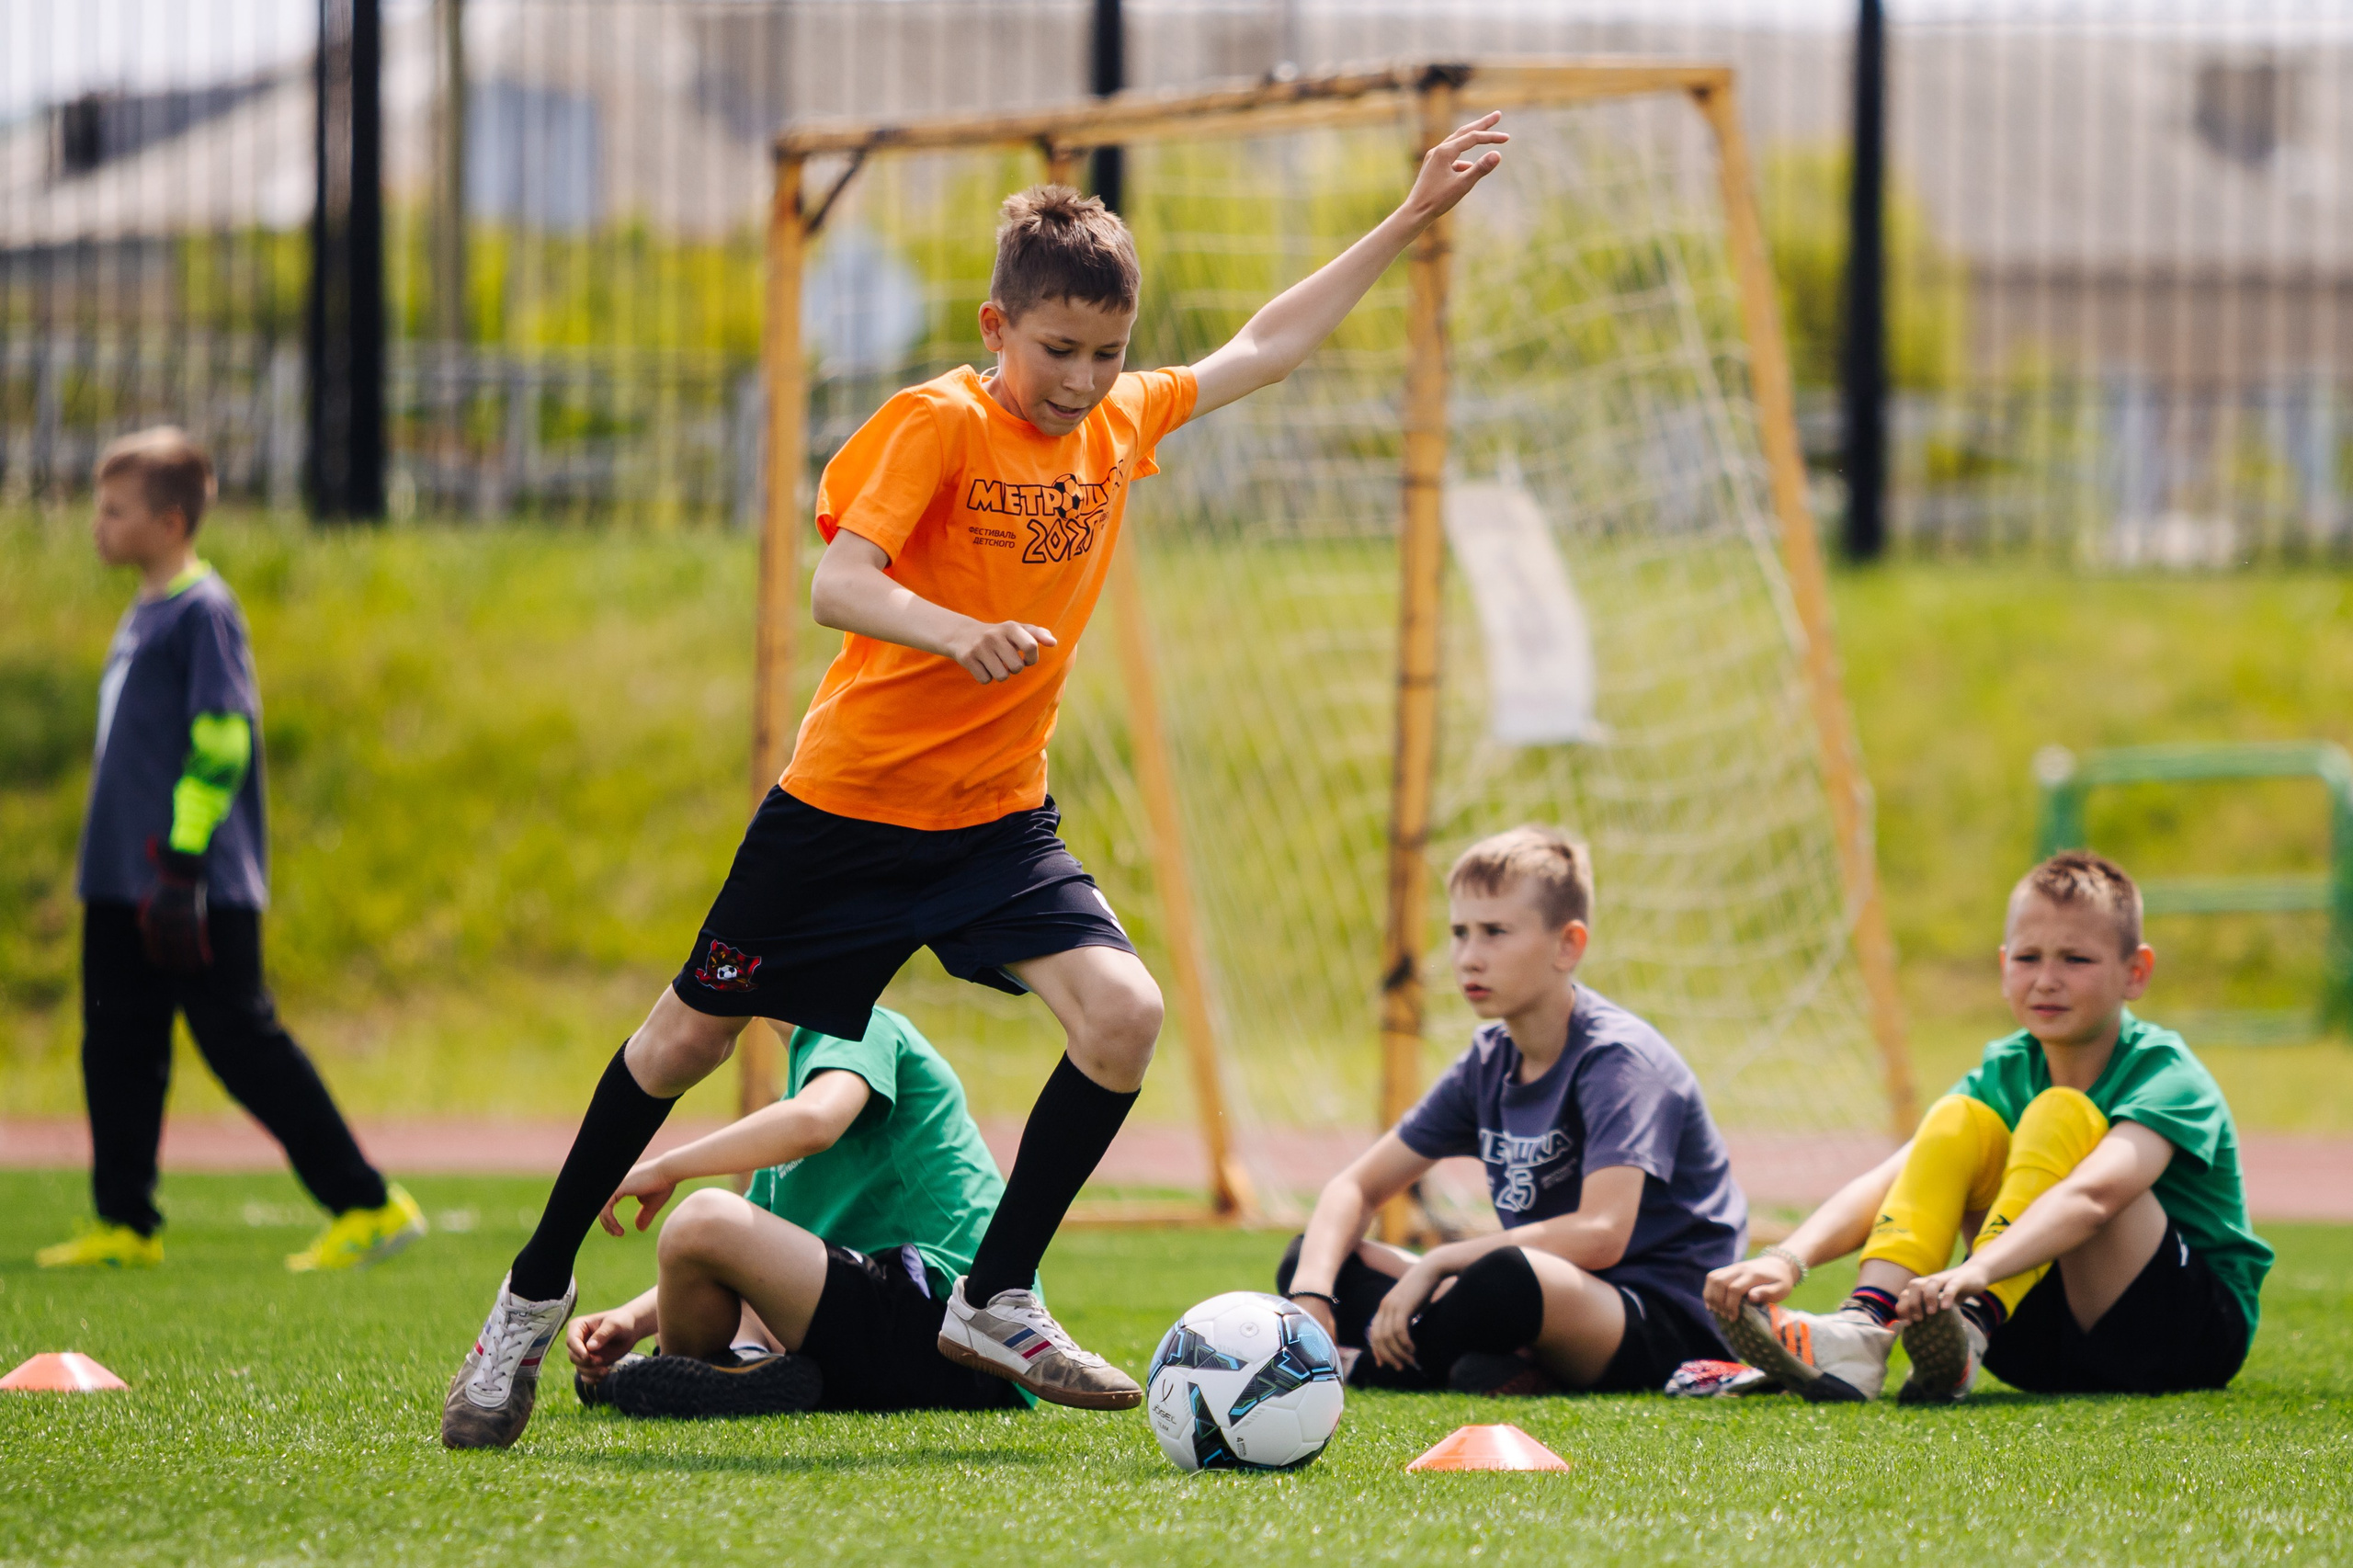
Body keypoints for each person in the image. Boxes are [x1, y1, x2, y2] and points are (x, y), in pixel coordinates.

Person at [441, 115, 1514, 1449]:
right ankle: (526, 1305)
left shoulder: (1119, 420)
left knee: (1123, 1014)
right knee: (681, 1043)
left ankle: (996, 1293)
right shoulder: (937, 423)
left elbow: (1265, 344)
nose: (1083, 379)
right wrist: (958, 631)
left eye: (1107, 354)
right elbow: (838, 578)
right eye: (1057, 350)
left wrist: (1409, 215)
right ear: (997, 323)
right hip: (841, 814)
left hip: (994, 823)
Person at [37, 427, 423, 1275]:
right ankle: (125, 1222)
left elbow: (221, 743)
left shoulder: (203, 613)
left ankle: (367, 1203)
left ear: (171, 521)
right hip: (118, 881)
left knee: (242, 1045)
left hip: (187, 885)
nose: (97, 524)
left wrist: (180, 866)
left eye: (115, 510)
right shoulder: (143, 610)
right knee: (117, 1043)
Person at [1706, 851, 2272, 1403]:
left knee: (2061, 1113)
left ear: (2136, 972)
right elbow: (1895, 1178)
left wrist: (1978, 1270)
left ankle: (1973, 1317)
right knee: (1956, 1123)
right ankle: (1863, 1329)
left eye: (2076, 960)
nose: (2047, 980)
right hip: (2033, 1347)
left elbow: (2096, 1196)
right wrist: (1785, 1259)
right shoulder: (2005, 1068)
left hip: (2177, 1343)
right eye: (2029, 959)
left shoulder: (2166, 1072)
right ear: (2003, 968)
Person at [1275, 826, 1747, 1396]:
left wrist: (1440, 1263)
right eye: (1459, 933)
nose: (1469, 957)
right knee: (1315, 1255)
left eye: (1496, 932)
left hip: (1655, 1319)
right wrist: (1312, 1299)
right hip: (1544, 1299)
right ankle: (1491, 1366)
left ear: (1568, 945)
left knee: (1507, 1277)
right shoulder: (1488, 1060)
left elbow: (1601, 1235)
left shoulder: (1619, 1059)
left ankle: (1372, 1371)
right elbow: (1355, 1188)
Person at [565, 1006, 1027, 1420]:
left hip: (954, 1330)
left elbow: (814, 1122)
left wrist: (667, 1168)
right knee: (710, 1252)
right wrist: (628, 1320)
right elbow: (726, 1253)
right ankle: (724, 1372)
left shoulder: (861, 1025)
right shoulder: (790, 1114)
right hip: (887, 1349)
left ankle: (694, 1367)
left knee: (700, 1218)